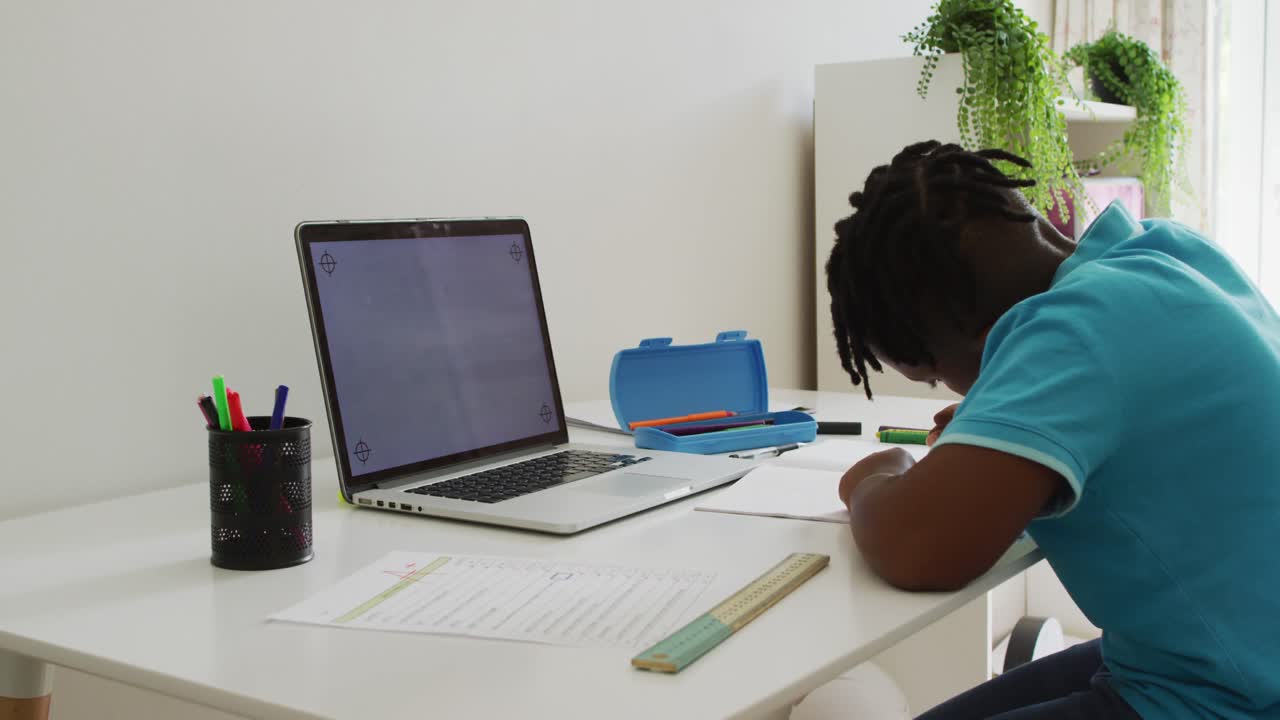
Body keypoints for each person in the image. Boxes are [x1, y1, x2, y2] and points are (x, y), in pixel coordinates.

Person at [824, 140, 1280, 719]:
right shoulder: (1161, 251)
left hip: (1230, 698)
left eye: (937, 378)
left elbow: (920, 549)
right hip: (1219, 656)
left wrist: (874, 478)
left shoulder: (1069, 333)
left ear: (965, 338)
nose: (964, 392)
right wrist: (1001, 424)